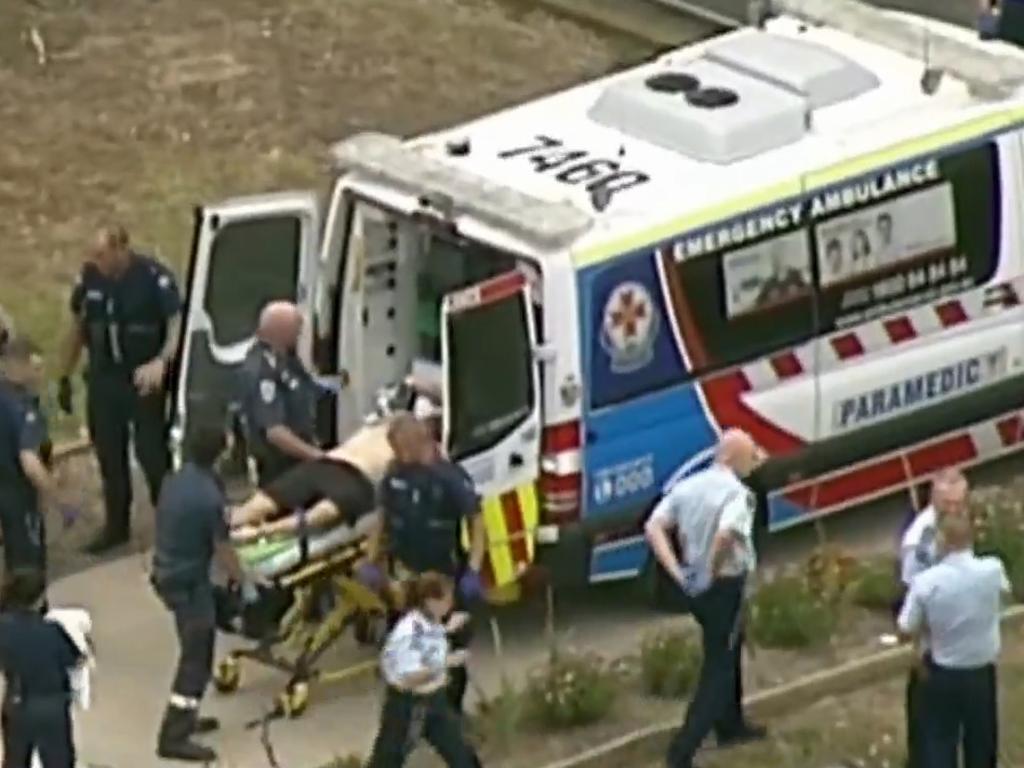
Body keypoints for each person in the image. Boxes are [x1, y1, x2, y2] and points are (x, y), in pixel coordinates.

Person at [645, 428, 768, 768]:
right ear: (731, 457)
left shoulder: (688, 487)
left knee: (728, 646)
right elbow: (727, 536)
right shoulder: (737, 495)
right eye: (748, 456)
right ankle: (681, 752)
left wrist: (678, 572)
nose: (752, 462)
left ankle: (732, 724)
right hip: (724, 586)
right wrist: (711, 572)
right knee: (719, 669)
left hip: (695, 589)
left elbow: (654, 527)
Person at [57, 225, 180, 554]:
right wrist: (64, 376)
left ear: (121, 248)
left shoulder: (153, 277)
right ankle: (116, 527)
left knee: (152, 453)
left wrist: (161, 363)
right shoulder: (90, 280)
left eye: (102, 254)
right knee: (109, 454)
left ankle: (171, 524)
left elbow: (176, 326)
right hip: (104, 378)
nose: (96, 261)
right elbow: (78, 328)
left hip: (141, 378)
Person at [362, 413, 486, 715]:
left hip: (443, 578)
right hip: (405, 577)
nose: (396, 454)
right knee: (404, 647)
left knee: (449, 648)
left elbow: (477, 522)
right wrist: (371, 560)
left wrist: (473, 568)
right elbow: (382, 520)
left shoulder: (449, 477)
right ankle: (407, 713)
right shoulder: (394, 476)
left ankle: (451, 714)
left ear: (415, 442)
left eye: (399, 446)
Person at [150, 425, 258, 762]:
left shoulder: (175, 480)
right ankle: (174, 735)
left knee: (193, 645)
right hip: (188, 583)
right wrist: (243, 581)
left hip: (167, 571)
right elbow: (222, 548)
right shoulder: (210, 496)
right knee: (197, 659)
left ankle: (188, 715)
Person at [897, 508, 1010, 768]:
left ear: (942, 541)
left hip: (944, 671)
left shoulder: (926, 583)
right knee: (982, 741)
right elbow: (1003, 596)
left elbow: (905, 628)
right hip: (982, 670)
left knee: (939, 740)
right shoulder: (993, 570)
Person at [366, 571, 482, 768]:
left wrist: (447, 629)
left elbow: (429, 641)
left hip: (435, 702)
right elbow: (410, 678)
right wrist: (446, 662)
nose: (451, 605)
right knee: (387, 761)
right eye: (447, 600)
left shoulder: (428, 622)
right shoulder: (407, 633)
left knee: (462, 755)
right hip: (408, 707)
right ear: (430, 601)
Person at [896, 468, 969, 768]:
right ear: (933, 497)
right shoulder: (920, 540)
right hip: (933, 638)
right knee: (927, 713)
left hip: (956, 634)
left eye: (959, 503)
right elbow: (914, 591)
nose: (954, 509)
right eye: (947, 503)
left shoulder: (956, 524)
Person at [229, 418, 394, 542]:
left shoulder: (382, 424)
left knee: (267, 504)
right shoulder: (405, 430)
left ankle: (248, 527)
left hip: (335, 466)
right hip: (346, 471)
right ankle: (256, 529)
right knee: (314, 513)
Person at [0, 338, 72, 577]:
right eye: (36, 368)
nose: (40, 375)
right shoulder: (25, 409)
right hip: (19, 499)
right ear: (18, 367)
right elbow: (30, 463)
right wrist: (60, 501)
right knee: (27, 572)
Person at [0, 568, 83, 768]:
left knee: (15, 760)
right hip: (51, 705)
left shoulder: (3, 629)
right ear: (39, 599)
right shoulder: (51, 630)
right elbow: (73, 659)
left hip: (17, 702)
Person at [237, 301, 322, 485]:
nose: (300, 334)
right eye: (296, 328)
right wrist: (316, 456)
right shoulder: (261, 369)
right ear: (281, 331)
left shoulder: (287, 359)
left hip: (299, 463)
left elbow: (306, 387)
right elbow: (275, 432)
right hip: (280, 469)